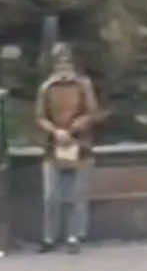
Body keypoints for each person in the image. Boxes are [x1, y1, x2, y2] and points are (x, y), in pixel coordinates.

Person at [33, 43, 104, 254]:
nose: (63, 66)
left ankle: (74, 235)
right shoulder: (46, 87)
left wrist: (74, 128)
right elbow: (39, 115)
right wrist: (55, 131)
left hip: (79, 144)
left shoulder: (83, 85)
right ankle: (49, 236)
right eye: (59, 62)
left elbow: (92, 112)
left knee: (77, 194)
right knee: (51, 195)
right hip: (53, 145)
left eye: (67, 61)